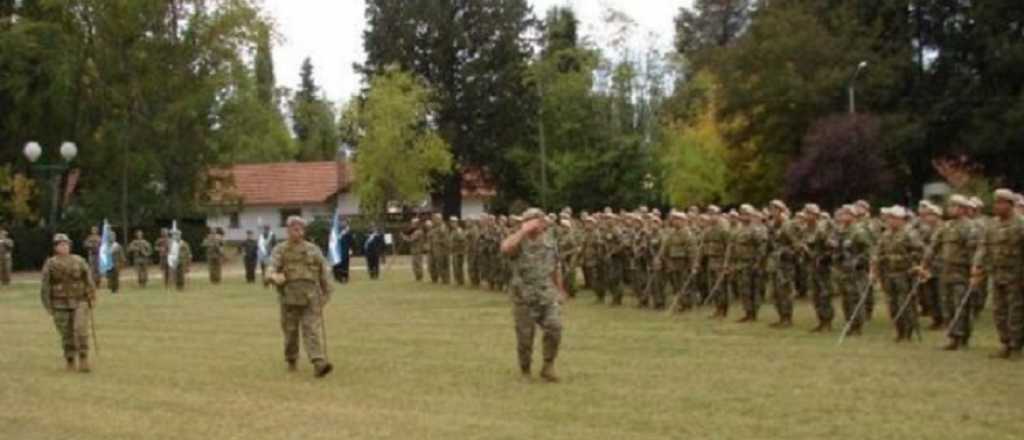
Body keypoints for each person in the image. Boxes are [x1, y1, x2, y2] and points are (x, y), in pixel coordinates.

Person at [502, 208, 566, 383]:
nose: (541, 222)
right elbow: (505, 248)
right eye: (537, 220)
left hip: (546, 294)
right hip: (524, 296)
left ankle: (548, 366)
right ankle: (525, 371)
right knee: (525, 337)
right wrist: (523, 230)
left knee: (555, 327)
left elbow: (556, 267)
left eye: (541, 219)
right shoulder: (518, 241)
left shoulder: (550, 241)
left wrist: (560, 290)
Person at [267, 216, 334, 378]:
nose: (299, 232)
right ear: (288, 230)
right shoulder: (280, 249)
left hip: (311, 297)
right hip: (289, 298)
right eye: (295, 229)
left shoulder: (313, 249)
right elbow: (271, 267)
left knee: (311, 330)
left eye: (301, 229)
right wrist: (273, 276)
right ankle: (291, 359)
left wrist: (326, 292)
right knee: (290, 333)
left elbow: (323, 271)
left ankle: (318, 363)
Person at [971, 189, 1024, 359]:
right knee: (999, 311)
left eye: (1001, 203)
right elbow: (983, 246)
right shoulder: (991, 225)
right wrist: (977, 265)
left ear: (1011, 205)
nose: (997, 206)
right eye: (996, 202)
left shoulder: (1020, 224)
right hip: (997, 274)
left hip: (1017, 276)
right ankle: (1005, 343)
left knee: (1016, 312)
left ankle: (1016, 346)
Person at [40, 233, 97, 372]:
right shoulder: (50, 264)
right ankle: (70, 359)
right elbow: (45, 286)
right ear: (55, 247)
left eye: (66, 244)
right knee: (66, 334)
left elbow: (88, 279)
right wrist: (48, 305)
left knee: (80, 329)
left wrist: (92, 295)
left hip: (80, 301)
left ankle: (83, 358)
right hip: (59, 303)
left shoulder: (79, 261)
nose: (64, 247)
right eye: (60, 244)